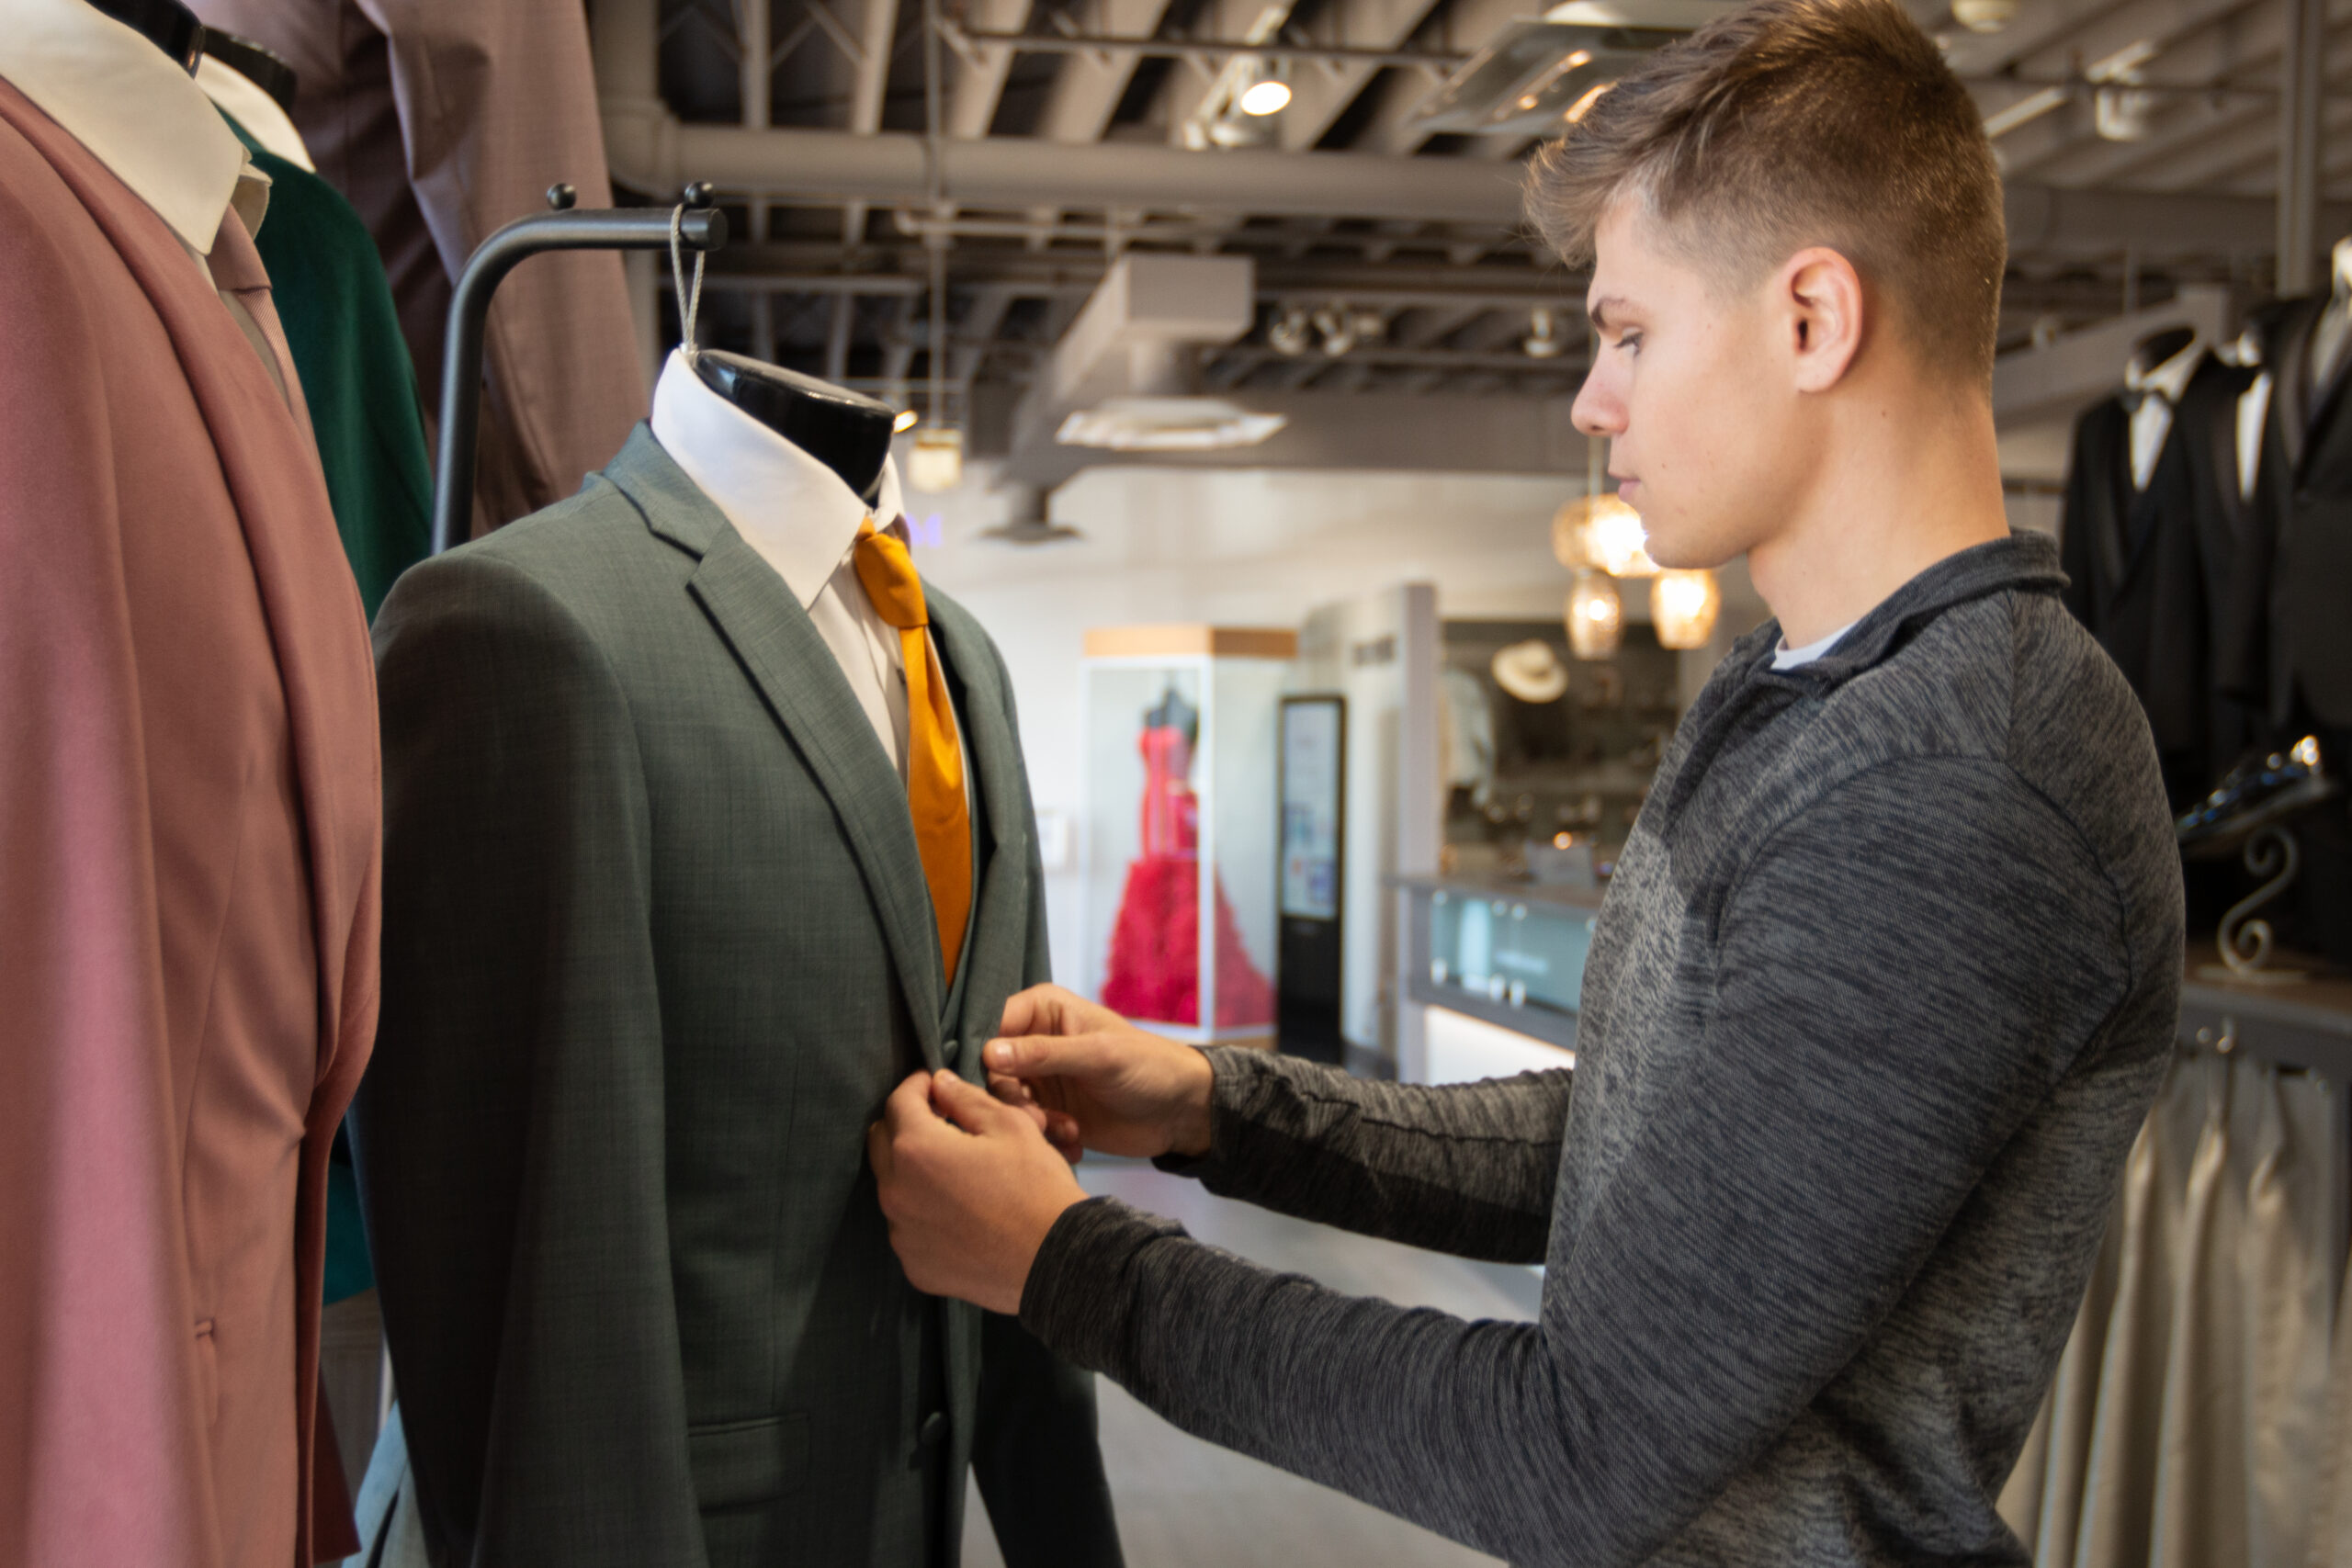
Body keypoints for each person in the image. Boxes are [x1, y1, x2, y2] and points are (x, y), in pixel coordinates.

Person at [865, 0, 2185, 1561]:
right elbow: (1639, 1159)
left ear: (1814, 320)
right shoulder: (1796, 692)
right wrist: (1219, 1106)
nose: (1591, 401)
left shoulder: (1964, 779)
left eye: (1629, 334)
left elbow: (1581, 1451)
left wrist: (1066, 1264)